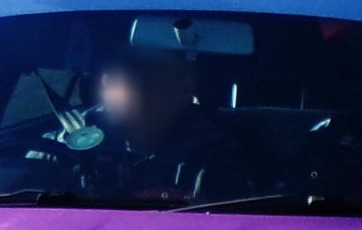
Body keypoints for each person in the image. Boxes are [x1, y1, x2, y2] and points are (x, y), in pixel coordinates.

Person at [66, 50, 246, 202]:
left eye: (147, 76)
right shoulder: (70, 141)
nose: (128, 89)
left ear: (186, 85)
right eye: (114, 77)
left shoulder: (227, 152)